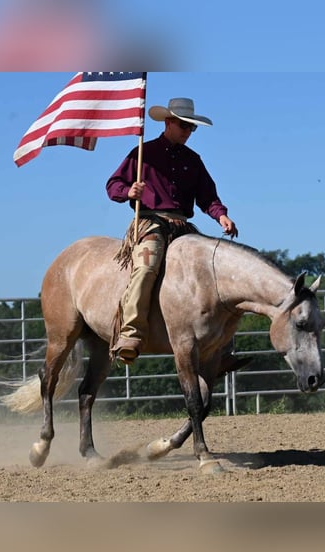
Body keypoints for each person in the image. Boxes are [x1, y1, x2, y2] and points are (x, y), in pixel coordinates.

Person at [107, 97, 238, 364]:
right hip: (150, 221)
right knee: (146, 266)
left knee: (214, 269)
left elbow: (207, 197)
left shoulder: (194, 160)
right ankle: (130, 333)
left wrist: (221, 215)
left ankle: (220, 344)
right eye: (183, 126)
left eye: (192, 128)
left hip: (183, 225)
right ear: (168, 123)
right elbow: (113, 184)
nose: (188, 132)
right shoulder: (143, 152)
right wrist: (128, 191)